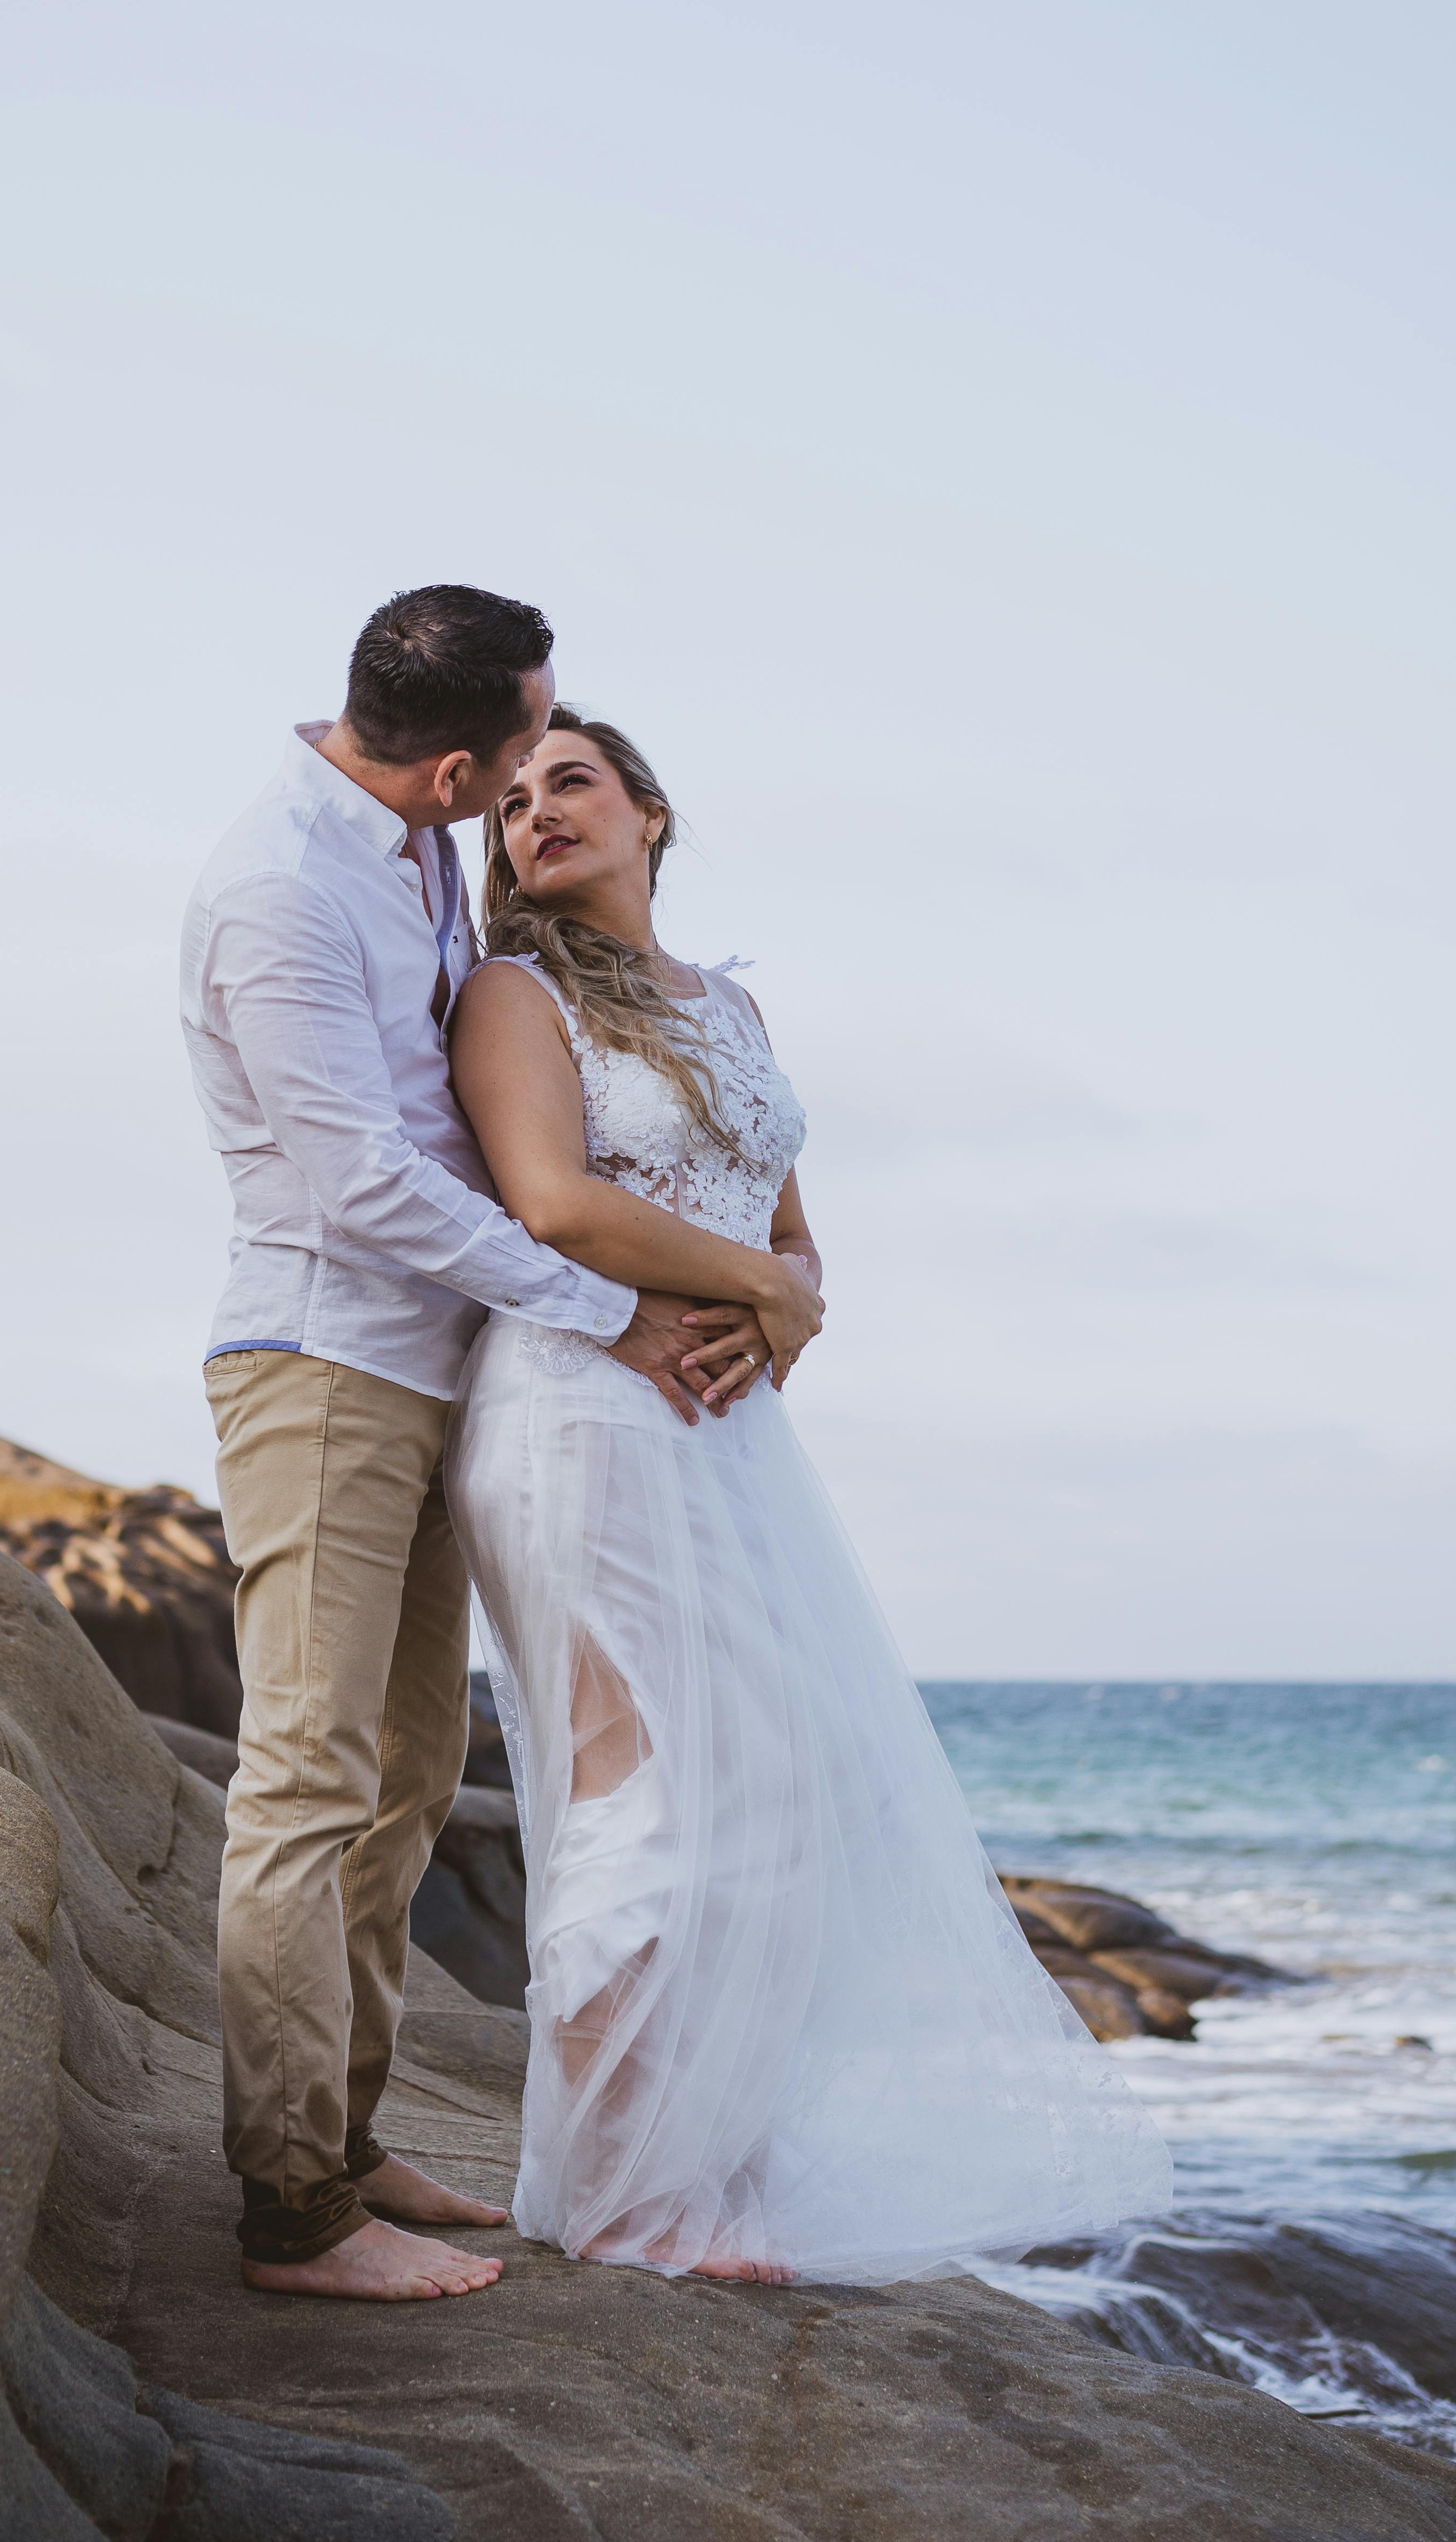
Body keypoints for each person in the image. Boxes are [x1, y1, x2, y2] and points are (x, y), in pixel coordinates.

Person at [445, 710, 1174, 2282]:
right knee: (642, 1793)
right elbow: (557, 1202)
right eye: (507, 803)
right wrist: (780, 1301)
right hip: (579, 1408)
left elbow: (791, 1223)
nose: (536, 812)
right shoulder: (515, 992)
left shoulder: (737, 1007)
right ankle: (631, 2194)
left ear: (650, 811)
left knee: (775, 1793)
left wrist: (793, 1293)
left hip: (721, 1433)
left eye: (569, 780)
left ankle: (702, 2144)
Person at [180, 587, 785, 2305]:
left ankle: (348, 2132)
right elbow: (365, 1186)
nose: (538, 780)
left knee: (412, 1773)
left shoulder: (414, 839)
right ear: (456, 766)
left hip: (449, 1369)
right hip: (324, 1361)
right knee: (307, 1772)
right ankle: (292, 2212)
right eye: (525, 750)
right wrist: (605, 1310)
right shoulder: (279, 890)